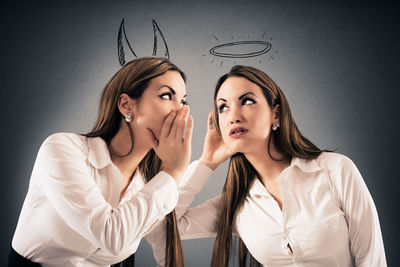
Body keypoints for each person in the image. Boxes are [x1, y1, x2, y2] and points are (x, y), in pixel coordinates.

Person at [149, 65, 387, 266]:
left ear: (276, 114)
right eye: (224, 107)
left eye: (247, 101)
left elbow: (372, 258)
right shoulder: (235, 203)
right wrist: (207, 163)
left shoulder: (335, 170)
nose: (233, 115)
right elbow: (160, 227)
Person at [9, 57, 193, 267]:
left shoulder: (152, 184)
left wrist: (206, 163)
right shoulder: (62, 149)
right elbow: (111, 236)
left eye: (184, 101)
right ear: (126, 105)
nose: (181, 111)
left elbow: (172, 242)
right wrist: (174, 171)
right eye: (167, 96)